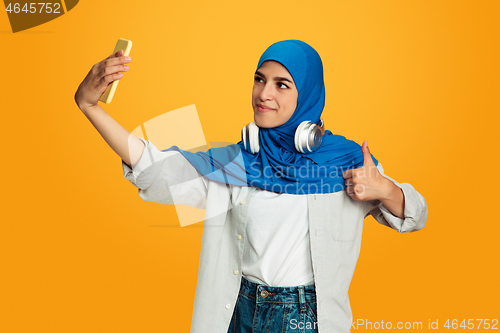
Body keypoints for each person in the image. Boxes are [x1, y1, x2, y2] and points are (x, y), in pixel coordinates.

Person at [75, 39, 428, 333]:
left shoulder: (349, 162)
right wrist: (89, 106)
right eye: (260, 80)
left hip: (308, 319)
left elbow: (417, 215)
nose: (264, 93)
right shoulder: (237, 162)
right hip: (238, 312)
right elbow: (157, 170)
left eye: (281, 84)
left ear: (308, 94)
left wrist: (385, 190)